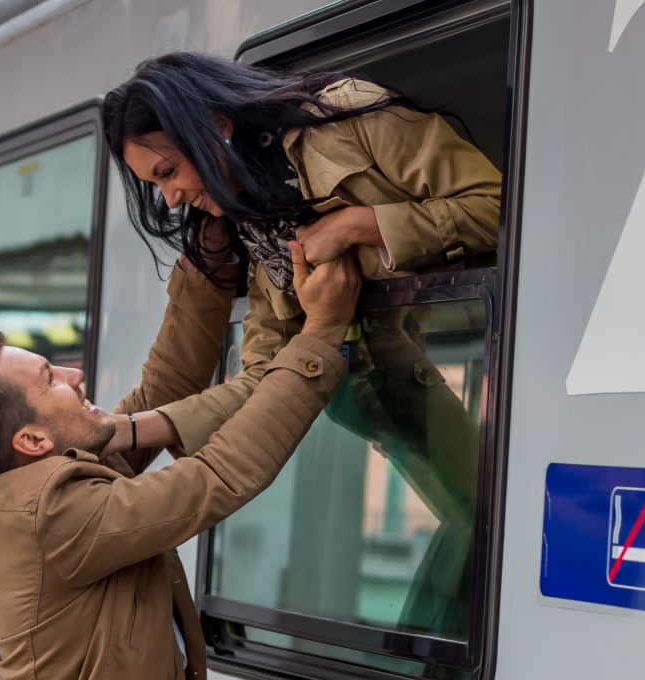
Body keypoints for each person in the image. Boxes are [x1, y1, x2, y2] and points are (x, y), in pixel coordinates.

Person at [0, 245, 360, 680]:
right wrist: (322, 332)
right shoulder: (56, 516)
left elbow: (164, 387)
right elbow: (216, 477)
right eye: (50, 379)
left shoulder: (30, 478)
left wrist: (209, 257)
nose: (75, 375)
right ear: (33, 440)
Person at [98, 51, 502, 457]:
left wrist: (357, 225)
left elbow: (502, 209)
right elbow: (264, 376)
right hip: (382, 411)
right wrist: (126, 429)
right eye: (155, 185)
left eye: (168, 172)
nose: (170, 200)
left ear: (216, 126)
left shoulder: (347, 115)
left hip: (489, 370)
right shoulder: (255, 224)